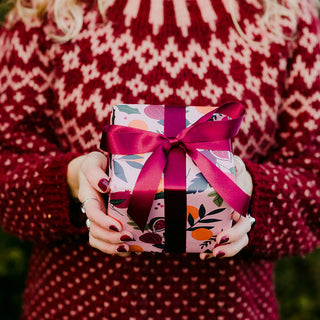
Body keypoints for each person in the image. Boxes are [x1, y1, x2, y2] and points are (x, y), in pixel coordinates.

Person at [0, 0, 319, 319]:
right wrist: (72, 179)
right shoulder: (44, 14)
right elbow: (6, 168)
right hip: (72, 308)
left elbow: (314, 185)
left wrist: (248, 194)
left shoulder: (287, 18)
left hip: (231, 310)